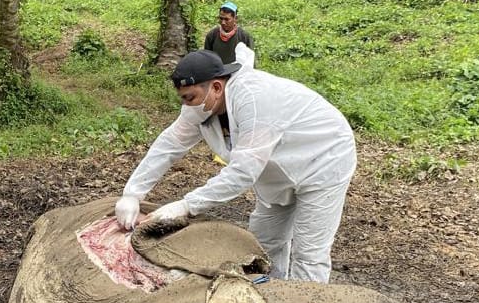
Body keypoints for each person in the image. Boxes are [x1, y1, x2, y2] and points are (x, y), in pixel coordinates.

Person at [114, 45, 356, 283]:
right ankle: (271, 297)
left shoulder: (254, 99)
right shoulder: (199, 107)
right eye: (183, 99)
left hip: (323, 161)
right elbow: (169, 145)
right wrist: (133, 193)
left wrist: (187, 205)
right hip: (275, 173)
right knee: (262, 244)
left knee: (308, 252)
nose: (187, 105)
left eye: (190, 98)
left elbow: (243, 172)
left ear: (216, 87)